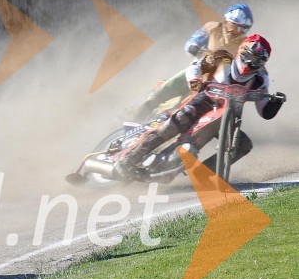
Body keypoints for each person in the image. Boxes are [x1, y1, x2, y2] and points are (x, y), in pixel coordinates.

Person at [115, 34, 285, 180]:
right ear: (241, 51)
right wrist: (195, 81)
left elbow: (265, 111)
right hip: (202, 103)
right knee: (174, 124)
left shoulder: (261, 79)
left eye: (256, 60)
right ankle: (128, 159)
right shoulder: (222, 59)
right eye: (249, 56)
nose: (250, 62)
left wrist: (276, 102)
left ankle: (203, 175)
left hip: (227, 118)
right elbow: (194, 68)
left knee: (243, 145)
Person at [133, 3, 255, 121]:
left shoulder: (245, 42)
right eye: (235, 26)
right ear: (227, 21)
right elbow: (193, 42)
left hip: (219, 82)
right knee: (165, 90)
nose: (237, 31)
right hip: (198, 70)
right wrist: (194, 47)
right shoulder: (212, 27)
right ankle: (138, 115)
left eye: (243, 29)